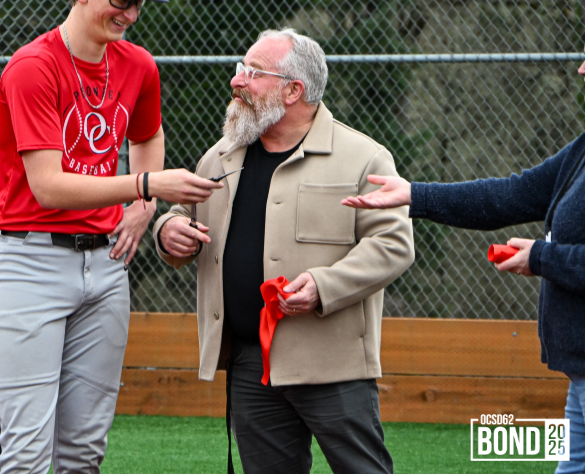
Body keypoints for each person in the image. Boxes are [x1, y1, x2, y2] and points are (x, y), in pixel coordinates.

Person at [0, 0, 222, 473]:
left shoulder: (138, 66)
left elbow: (148, 138)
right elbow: (48, 186)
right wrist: (146, 188)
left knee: (84, 449)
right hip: (30, 260)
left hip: (107, 262)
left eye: (138, 2)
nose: (132, 13)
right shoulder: (33, 67)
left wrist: (140, 209)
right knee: (27, 451)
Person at [153, 29, 415, 474]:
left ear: (294, 90)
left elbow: (393, 245)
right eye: (241, 69)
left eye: (253, 73)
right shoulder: (220, 156)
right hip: (251, 361)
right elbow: (180, 213)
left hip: (332, 363)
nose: (237, 81)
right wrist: (167, 231)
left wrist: (323, 285)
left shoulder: (363, 157)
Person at [342, 52, 585, 473]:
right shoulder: (581, 151)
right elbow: (512, 195)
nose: (581, 69)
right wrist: (415, 195)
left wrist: (542, 256)